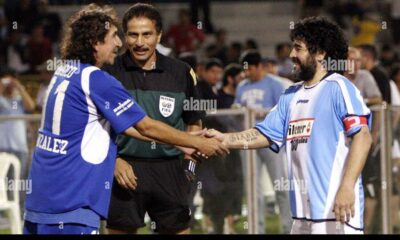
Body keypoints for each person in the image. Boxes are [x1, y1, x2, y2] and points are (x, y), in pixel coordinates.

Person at [23, 4, 227, 235]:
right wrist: (198, 143)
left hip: (41, 198)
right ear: (94, 42)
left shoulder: (64, 71)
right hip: (73, 198)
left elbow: (134, 127)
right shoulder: (100, 79)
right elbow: (145, 126)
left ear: (158, 35)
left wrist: (184, 146)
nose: (120, 43)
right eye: (115, 37)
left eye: (146, 34)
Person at [206, 17, 372, 234]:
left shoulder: (339, 87)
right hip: (303, 216)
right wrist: (225, 139)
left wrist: (347, 187)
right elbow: (264, 134)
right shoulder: (291, 95)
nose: (291, 55)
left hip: (335, 211)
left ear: (320, 53)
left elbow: (363, 136)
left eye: (298, 48)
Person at [103, 3, 212, 234]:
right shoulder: (109, 72)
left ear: (159, 35)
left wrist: (188, 170)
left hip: (171, 171)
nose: (140, 42)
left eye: (147, 34)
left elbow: (194, 122)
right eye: (133, 34)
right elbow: (96, 128)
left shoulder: (181, 72)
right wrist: (113, 162)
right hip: (125, 169)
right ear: (125, 36)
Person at [234, 50, 292, 234]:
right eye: (245, 70)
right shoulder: (242, 86)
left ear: (259, 66)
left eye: (250, 69)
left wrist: (263, 112)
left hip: (270, 139)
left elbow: (283, 110)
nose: (246, 73)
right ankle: (255, 230)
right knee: (252, 189)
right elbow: (237, 106)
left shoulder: (275, 83)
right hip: (248, 138)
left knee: (281, 184)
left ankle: (288, 228)